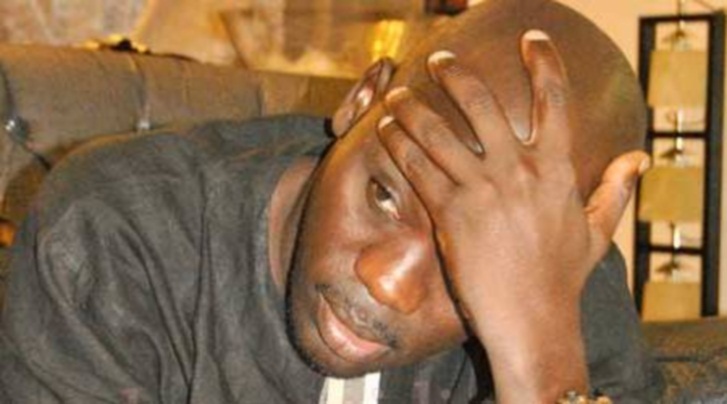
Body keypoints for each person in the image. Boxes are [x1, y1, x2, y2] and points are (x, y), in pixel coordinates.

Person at [0, 0, 662, 402]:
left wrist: (542, 376)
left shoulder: (557, 289)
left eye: (468, 261)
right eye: (383, 195)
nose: (389, 282)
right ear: (361, 101)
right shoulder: (115, 235)